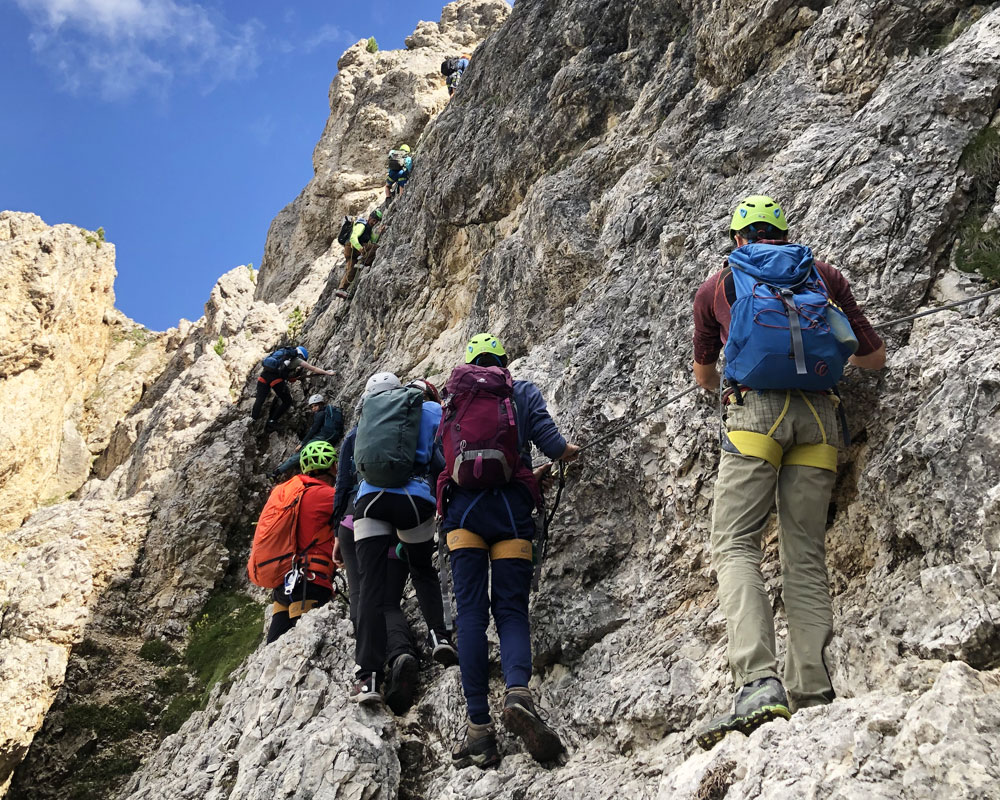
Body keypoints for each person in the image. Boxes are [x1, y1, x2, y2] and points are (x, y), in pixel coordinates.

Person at [691, 195, 886, 750]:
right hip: (821, 419)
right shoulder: (822, 276)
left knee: (735, 546)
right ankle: (813, 687)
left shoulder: (718, 286)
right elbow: (873, 358)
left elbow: (707, 377)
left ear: (737, 239)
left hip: (754, 416)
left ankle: (757, 683)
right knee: (804, 550)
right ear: (784, 233)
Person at [442, 334, 579, 768]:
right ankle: (518, 692)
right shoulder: (519, 390)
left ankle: (479, 730)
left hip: (463, 515)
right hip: (511, 512)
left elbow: (438, 460)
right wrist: (564, 454)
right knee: (511, 611)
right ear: (504, 362)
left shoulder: (451, 399)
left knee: (469, 616)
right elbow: (553, 445)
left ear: (468, 364)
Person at [333, 377, 452, 715]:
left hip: (369, 502)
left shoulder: (364, 424)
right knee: (422, 571)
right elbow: (442, 460)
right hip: (415, 501)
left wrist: (336, 532)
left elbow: (345, 483)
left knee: (370, 588)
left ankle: (368, 678)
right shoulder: (429, 409)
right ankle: (439, 637)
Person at [265, 440, 339, 643]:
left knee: (275, 650)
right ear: (333, 466)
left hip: (284, 584)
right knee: (310, 644)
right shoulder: (328, 496)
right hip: (312, 582)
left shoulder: (292, 495)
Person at [251, 346, 336, 431]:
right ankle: (272, 421)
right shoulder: (297, 360)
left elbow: (281, 370)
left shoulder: (282, 354)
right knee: (287, 401)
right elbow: (313, 368)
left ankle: (252, 420)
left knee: (259, 399)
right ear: (301, 355)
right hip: (276, 380)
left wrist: (288, 378)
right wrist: (327, 372)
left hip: (263, 376)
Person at [270, 394, 344, 479]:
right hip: (330, 439)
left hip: (320, 438)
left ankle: (277, 472)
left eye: (315, 405)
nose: (313, 408)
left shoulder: (320, 414)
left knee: (301, 454)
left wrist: (302, 443)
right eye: (312, 407)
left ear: (321, 404)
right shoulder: (328, 413)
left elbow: (313, 430)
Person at [335, 209, 384, 300]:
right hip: (352, 247)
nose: (374, 223)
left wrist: (380, 233)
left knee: (351, 270)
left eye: (376, 221)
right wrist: (360, 248)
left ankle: (341, 289)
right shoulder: (362, 225)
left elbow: (373, 241)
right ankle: (363, 262)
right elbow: (354, 238)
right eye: (374, 220)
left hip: (352, 249)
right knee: (375, 248)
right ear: (370, 217)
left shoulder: (369, 229)